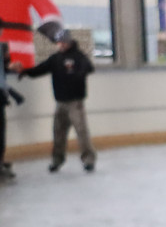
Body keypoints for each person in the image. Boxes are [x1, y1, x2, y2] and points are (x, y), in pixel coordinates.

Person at [12, 29, 96, 173]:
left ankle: (88, 160)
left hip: (75, 102)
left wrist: (79, 74)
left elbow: (89, 67)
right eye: (59, 42)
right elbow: (40, 69)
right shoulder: (55, 58)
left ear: (69, 42)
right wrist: (26, 72)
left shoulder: (78, 56)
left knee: (81, 132)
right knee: (58, 132)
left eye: (63, 42)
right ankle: (57, 160)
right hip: (60, 102)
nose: (60, 45)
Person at [1, 39, 25, 180]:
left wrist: (10, 66)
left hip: (1, 95)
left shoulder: (2, 47)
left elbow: (3, 70)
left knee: (2, 132)